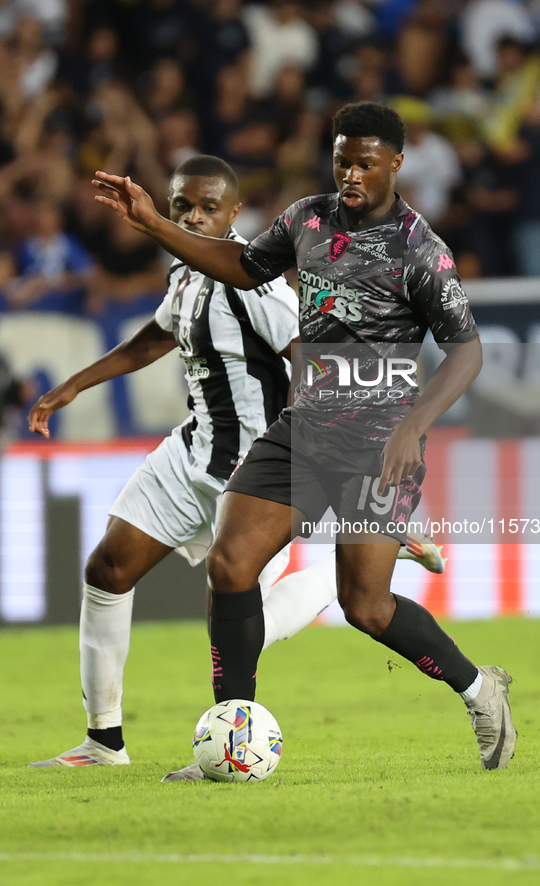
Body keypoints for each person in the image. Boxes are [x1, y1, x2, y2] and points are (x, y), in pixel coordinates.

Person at [91, 102, 516, 778]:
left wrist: (413, 426)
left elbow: (464, 352)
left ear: (395, 164)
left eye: (365, 163)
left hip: (381, 442)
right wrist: (153, 222)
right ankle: (230, 742)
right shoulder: (307, 220)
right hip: (306, 428)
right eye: (342, 159)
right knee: (230, 566)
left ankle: (476, 687)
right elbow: (239, 264)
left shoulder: (420, 251)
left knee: (365, 607)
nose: (349, 173)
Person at [28, 153, 443, 771]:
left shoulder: (255, 280)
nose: (193, 216)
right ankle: (104, 742)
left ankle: (361, 557)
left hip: (255, 467)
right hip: (191, 451)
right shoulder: (185, 271)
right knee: (107, 569)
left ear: (233, 213)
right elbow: (158, 335)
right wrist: (75, 385)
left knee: (240, 623)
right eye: (182, 206)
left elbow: (310, 354)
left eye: (207, 207)